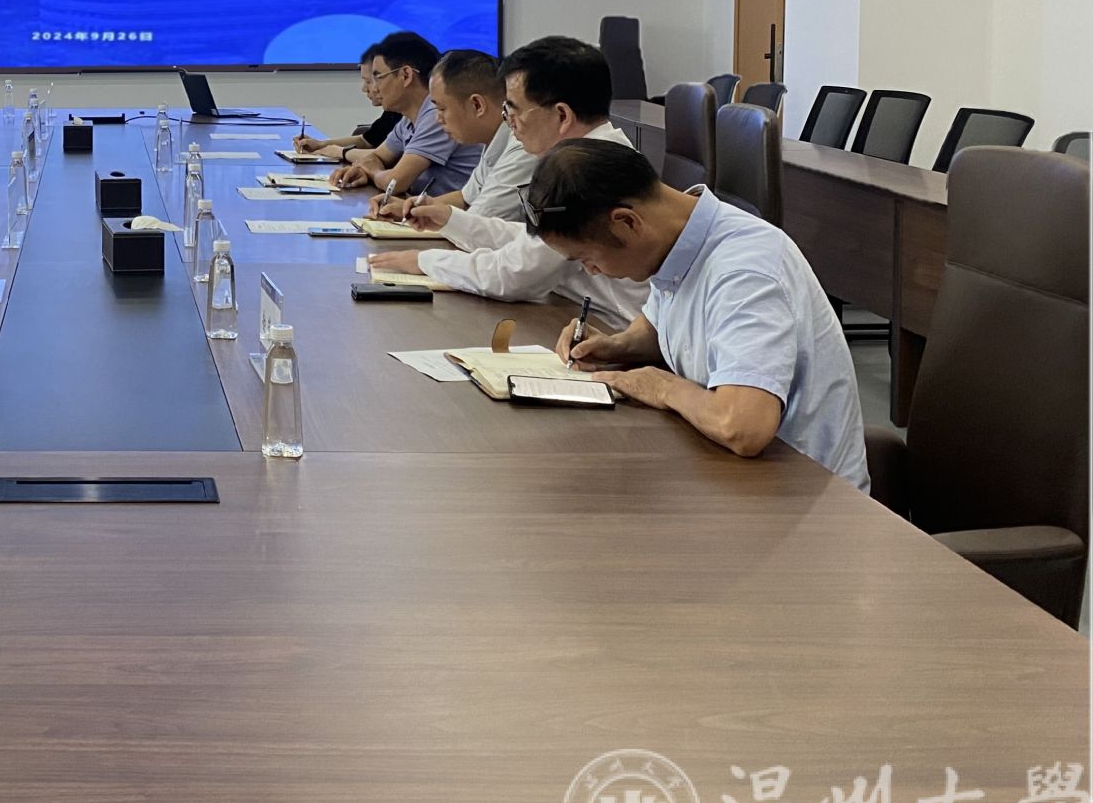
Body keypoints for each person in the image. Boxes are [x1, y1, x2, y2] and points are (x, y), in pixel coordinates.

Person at [530, 140, 869, 488]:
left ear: (627, 222)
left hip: (804, 494)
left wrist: (662, 387)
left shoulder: (745, 271)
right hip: (734, 473)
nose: (590, 271)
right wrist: (618, 346)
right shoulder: (678, 237)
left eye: (586, 258)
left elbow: (743, 427)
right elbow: (667, 325)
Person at [369, 35, 646, 326]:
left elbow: (513, 276)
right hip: (578, 312)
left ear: (562, 115)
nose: (509, 122)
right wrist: (450, 220)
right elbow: (532, 240)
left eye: (513, 110)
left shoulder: (585, 172)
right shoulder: (592, 153)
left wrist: (424, 261)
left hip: (611, 327)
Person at [370, 49, 537, 224]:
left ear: (477, 105)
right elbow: (465, 198)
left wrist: (421, 214)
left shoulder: (521, 149)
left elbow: (475, 226)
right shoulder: (494, 140)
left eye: (442, 109)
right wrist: (411, 209)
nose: (438, 119)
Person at [328, 31, 481, 198]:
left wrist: (373, 172)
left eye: (378, 77)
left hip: (454, 211)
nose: (373, 88)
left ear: (406, 75)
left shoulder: (435, 115)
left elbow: (395, 183)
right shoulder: (409, 118)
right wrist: (365, 171)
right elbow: (377, 157)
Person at [292, 44, 400, 160]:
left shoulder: (408, 118)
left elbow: (385, 157)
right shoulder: (393, 113)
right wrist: (321, 145)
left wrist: (340, 152)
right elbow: (366, 141)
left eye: (368, 81)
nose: (364, 89)